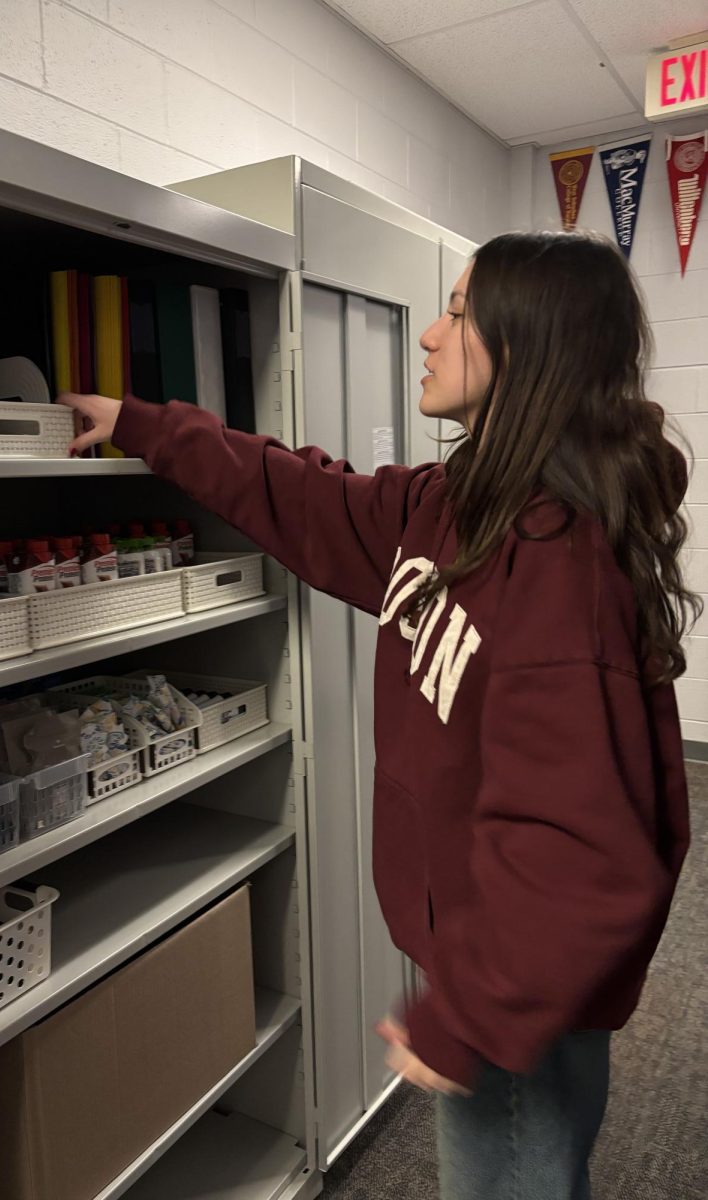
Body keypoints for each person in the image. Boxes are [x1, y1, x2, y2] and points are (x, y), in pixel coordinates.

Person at [58, 230, 696, 1200]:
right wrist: (144, 425)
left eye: (456, 313)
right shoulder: (452, 504)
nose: (431, 336)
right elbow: (308, 495)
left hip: (518, 988)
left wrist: (467, 1014)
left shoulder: (562, 572)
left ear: (524, 348)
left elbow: (583, 850)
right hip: (490, 965)